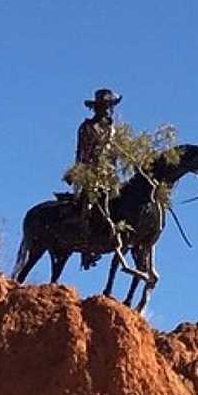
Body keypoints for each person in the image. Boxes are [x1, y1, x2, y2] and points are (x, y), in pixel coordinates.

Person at [70, 88, 122, 268]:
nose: (107, 110)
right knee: (88, 207)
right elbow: (82, 152)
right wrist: (81, 173)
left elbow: (115, 153)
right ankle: (86, 249)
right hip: (91, 174)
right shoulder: (86, 127)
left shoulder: (112, 129)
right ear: (97, 108)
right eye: (104, 106)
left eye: (109, 106)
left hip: (110, 176)